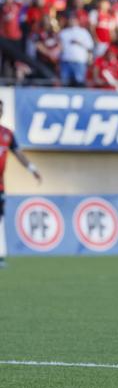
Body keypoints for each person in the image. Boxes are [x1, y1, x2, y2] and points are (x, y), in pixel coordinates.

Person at [0, 98, 43, 269]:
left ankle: (1, 256)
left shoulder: (7, 134)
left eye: (1, 108)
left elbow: (18, 153)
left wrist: (32, 168)